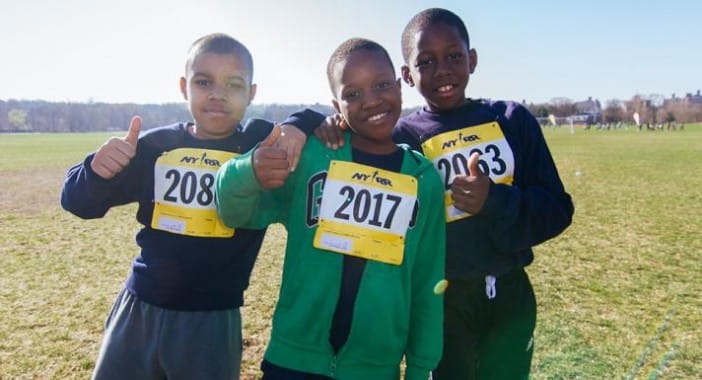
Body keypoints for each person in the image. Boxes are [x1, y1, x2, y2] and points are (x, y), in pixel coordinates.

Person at [287, 8, 574, 379]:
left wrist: (495, 201)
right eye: (426, 62)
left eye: (454, 56)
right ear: (407, 75)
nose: (443, 70)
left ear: (472, 59)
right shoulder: (400, 137)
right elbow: (350, 130)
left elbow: (557, 210)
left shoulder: (511, 119)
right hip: (440, 303)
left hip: (510, 295)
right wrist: (313, 122)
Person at [61, 33, 305, 380]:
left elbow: (311, 122)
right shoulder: (156, 145)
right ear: (183, 86)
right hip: (139, 308)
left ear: (252, 93)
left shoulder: (260, 143)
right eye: (203, 81)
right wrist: (95, 171)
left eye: (234, 84)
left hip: (212, 319)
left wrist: (299, 125)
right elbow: (78, 203)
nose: (217, 94)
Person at [215, 38, 446, 380]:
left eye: (382, 85)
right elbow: (232, 211)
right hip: (293, 360)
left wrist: (421, 366)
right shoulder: (311, 156)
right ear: (335, 104)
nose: (371, 100)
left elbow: (428, 281)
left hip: (374, 369)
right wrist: (248, 169)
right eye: (353, 94)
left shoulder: (424, 180)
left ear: (399, 85)